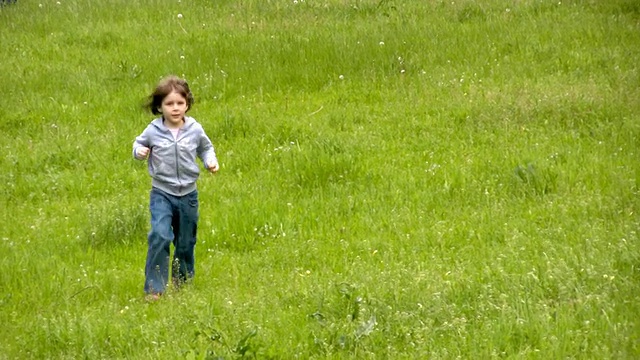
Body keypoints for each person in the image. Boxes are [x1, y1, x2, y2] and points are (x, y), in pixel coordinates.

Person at [132, 75, 219, 299]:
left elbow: (206, 148)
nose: (175, 108)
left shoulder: (195, 129)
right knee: (159, 236)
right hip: (162, 193)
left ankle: (181, 284)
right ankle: (154, 289)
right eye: (169, 104)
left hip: (188, 195)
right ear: (159, 106)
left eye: (180, 103)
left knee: (186, 241)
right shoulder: (153, 130)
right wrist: (139, 152)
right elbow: (139, 143)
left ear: (187, 104)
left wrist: (210, 161)